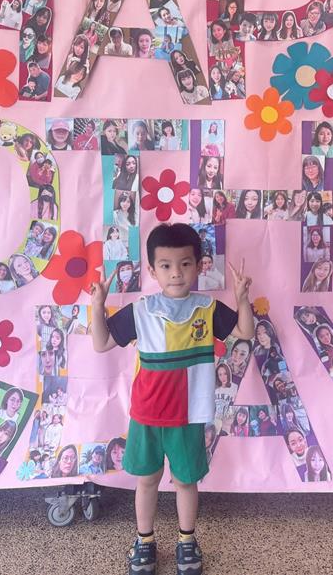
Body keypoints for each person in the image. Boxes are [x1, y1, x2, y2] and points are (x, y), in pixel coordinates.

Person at [90, 224, 254, 574]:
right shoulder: (141, 310)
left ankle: (187, 539)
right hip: (147, 414)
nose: (176, 273)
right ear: (152, 270)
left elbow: (244, 331)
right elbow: (101, 343)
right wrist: (97, 305)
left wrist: (242, 299)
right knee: (147, 479)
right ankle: (144, 540)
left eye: (185, 264)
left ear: (199, 266)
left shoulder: (207, 308)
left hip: (188, 414)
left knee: (185, 481)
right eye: (165, 265)